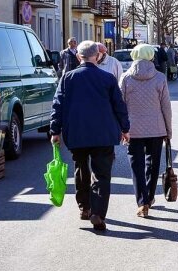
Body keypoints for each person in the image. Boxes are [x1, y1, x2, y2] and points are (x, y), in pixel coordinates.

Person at [50, 40, 130, 231]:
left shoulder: (67, 78)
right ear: (98, 56)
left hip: (76, 133)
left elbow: (58, 105)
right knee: (102, 174)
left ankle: (84, 207)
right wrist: (125, 129)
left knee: (80, 169)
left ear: (79, 57)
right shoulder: (108, 78)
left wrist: (55, 131)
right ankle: (98, 213)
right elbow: (119, 106)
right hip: (103, 134)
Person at [119, 44, 172, 218]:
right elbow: (166, 106)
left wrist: (121, 129)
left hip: (132, 129)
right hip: (156, 129)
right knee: (153, 164)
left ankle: (142, 203)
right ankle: (149, 198)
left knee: (137, 166)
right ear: (151, 56)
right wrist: (168, 130)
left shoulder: (126, 78)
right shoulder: (159, 78)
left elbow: (121, 106)